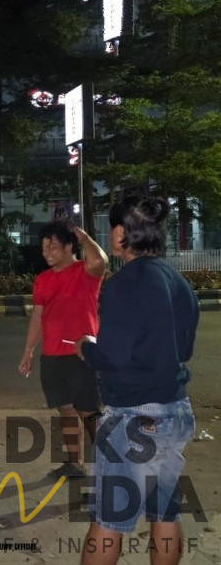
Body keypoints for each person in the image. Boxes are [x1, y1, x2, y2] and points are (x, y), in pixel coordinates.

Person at [75, 196, 199, 565]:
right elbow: (184, 348)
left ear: (119, 234)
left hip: (134, 419)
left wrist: (86, 347)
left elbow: (111, 356)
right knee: (165, 513)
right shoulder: (178, 282)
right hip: (176, 411)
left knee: (108, 522)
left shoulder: (125, 283)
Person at [18, 221, 107, 479]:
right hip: (52, 356)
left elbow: (100, 260)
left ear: (69, 247)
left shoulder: (85, 272)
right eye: (44, 247)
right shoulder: (43, 280)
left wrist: (84, 236)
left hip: (82, 356)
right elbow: (38, 317)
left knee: (89, 413)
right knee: (66, 410)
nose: (46, 252)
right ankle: (75, 463)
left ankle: (109, 469)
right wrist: (28, 350)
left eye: (53, 247)